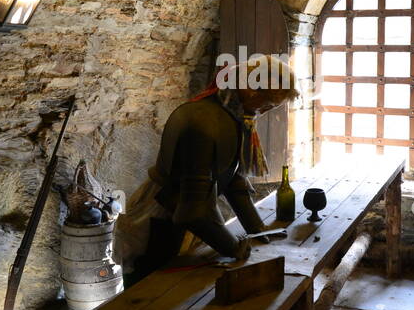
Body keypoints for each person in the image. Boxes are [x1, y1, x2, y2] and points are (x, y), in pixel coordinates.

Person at [118, 53, 297, 282]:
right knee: (151, 285)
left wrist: (258, 229)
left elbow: (233, 178)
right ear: (252, 90)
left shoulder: (233, 113)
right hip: (162, 213)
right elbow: (190, 213)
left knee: (188, 290)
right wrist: (232, 247)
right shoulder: (203, 122)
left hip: (196, 207)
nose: (267, 111)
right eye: (269, 104)